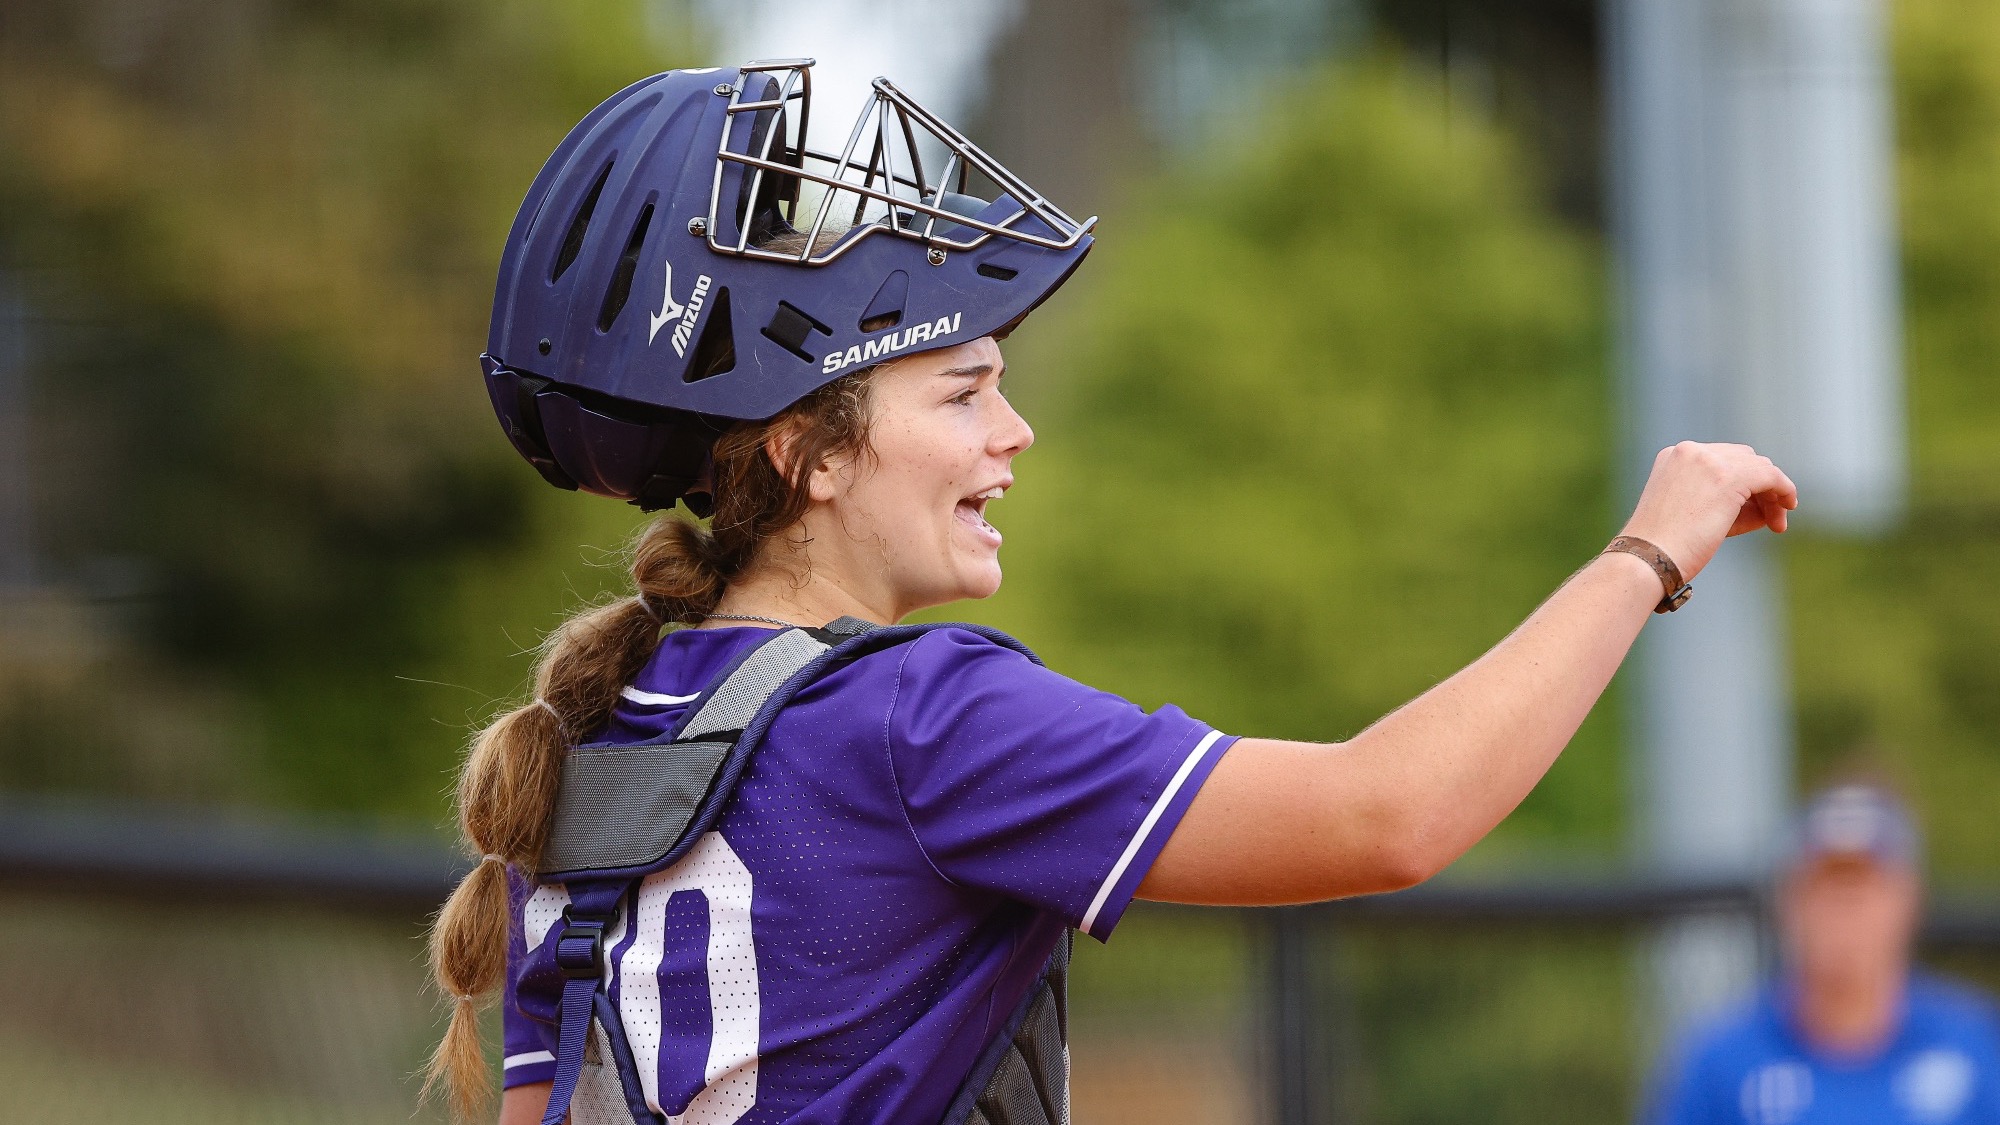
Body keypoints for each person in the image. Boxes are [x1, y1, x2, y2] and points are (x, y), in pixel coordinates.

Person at [423, 61, 1799, 1125]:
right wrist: (1647, 556)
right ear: (808, 453)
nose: (1013, 432)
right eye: (965, 390)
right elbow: (1390, 816)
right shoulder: (919, 716)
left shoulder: (597, 734)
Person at [1642, 782, 2000, 1125]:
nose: (1845, 913)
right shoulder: (1722, 1064)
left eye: (1863, 890)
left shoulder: (1975, 1048)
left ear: (1909, 902)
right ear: (1788, 904)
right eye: (1826, 890)